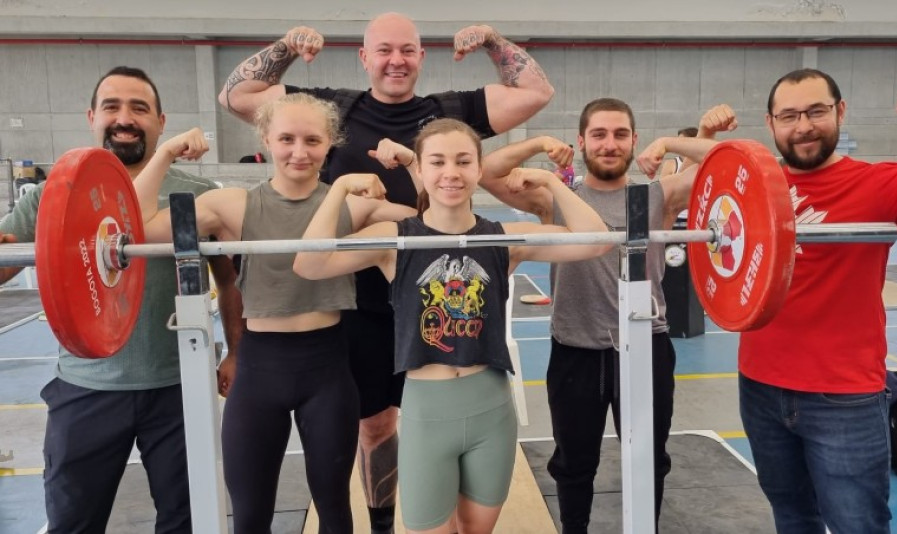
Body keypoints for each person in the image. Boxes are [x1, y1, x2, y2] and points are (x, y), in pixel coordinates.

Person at [218, 13, 554, 531]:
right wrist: (286, 44)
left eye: (407, 50)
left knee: (451, 407)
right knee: (374, 426)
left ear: (422, 56)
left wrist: (491, 40)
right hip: (362, 297)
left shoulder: (449, 110)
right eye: (384, 50)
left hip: (439, 293)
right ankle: (382, 521)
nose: (396, 60)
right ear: (364, 58)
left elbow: (535, 91)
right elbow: (238, 96)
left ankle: (453, 504)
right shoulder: (336, 109)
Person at [293, 118, 610, 534]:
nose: (451, 173)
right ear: (420, 170)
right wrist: (335, 190)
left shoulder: (502, 238)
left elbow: (598, 240)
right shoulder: (396, 239)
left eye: (463, 161)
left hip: (491, 410)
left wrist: (554, 186)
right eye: (438, 161)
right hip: (428, 411)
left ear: (478, 169)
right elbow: (309, 264)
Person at [133, 92, 417, 534]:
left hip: (327, 371)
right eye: (286, 138)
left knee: (335, 512)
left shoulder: (353, 206)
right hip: (259, 372)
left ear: (330, 145)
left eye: (312, 140)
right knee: (250, 517)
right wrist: (166, 152)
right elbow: (139, 228)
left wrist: (414, 164)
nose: (299, 152)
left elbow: (434, 225)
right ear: (266, 138)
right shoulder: (234, 205)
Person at [0, 66, 243, 533]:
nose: (124, 118)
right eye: (111, 107)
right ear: (92, 116)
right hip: (85, 388)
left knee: (188, 521)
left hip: (178, 387)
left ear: (161, 120)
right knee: (73, 521)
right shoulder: (54, 195)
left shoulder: (197, 195)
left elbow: (230, 282)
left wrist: (237, 351)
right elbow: (8, 259)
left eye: (139, 108)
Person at [477, 98, 714, 533]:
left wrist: (672, 142)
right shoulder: (559, 199)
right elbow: (486, 172)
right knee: (573, 463)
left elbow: (722, 159)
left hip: (645, 348)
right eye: (599, 135)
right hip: (575, 350)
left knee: (648, 459)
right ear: (581, 142)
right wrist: (537, 144)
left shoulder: (659, 194)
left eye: (620, 134)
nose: (609, 144)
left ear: (635, 141)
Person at [734, 70, 897, 534]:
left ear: (840, 112)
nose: (803, 126)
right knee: (792, 519)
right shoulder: (751, 190)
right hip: (759, 388)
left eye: (816, 111)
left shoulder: (880, 183)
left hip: (844, 399)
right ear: (771, 124)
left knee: (859, 526)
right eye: (789, 116)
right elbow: (708, 168)